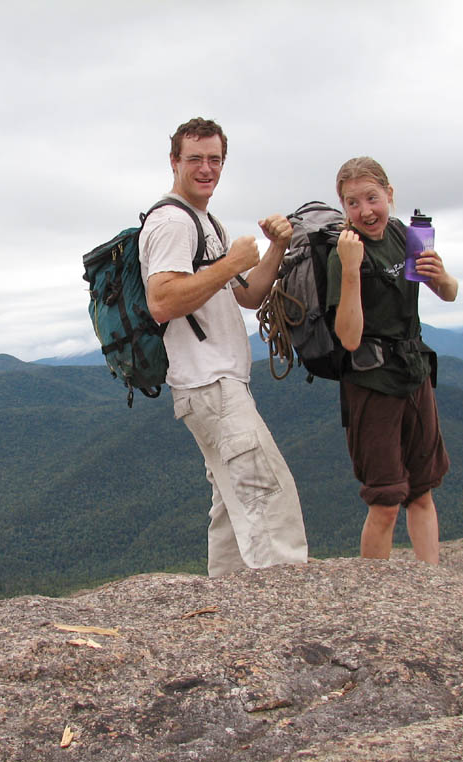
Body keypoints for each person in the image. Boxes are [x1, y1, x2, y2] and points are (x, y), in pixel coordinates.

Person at [139, 117, 308, 577]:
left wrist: (274, 249)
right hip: (209, 383)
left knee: (234, 505)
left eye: (215, 159)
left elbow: (249, 295)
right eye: (195, 158)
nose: (206, 168)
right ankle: (287, 608)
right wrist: (231, 261)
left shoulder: (204, 222)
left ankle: (229, 609)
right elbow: (162, 300)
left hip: (216, 383)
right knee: (267, 497)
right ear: (174, 162)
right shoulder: (172, 222)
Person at [327, 156, 459, 564]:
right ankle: (374, 601)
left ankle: (431, 587)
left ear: (390, 194)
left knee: (421, 491)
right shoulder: (343, 254)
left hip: (414, 374)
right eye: (353, 203)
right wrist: (351, 269)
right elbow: (348, 337)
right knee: (385, 501)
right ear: (343, 207)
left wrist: (441, 276)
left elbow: (450, 294)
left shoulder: (406, 237)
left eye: (372, 198)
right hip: (373, 386)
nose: (366, 211)